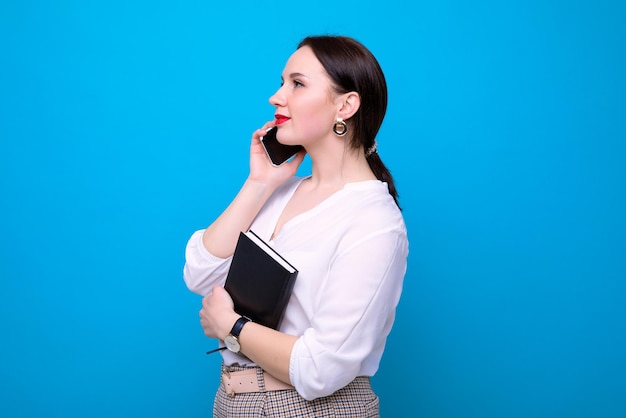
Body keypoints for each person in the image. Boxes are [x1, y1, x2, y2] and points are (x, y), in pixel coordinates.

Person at [183, 35, 408, 417]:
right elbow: (200, 275)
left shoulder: (374, 221)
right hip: (234, 401)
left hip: (310, 409)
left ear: (346, 105)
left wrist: (231, 326)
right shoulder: (280, 192)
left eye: (297, 84)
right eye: (282, 81)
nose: (276, 96)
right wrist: (259, 184)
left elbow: (322, 368)